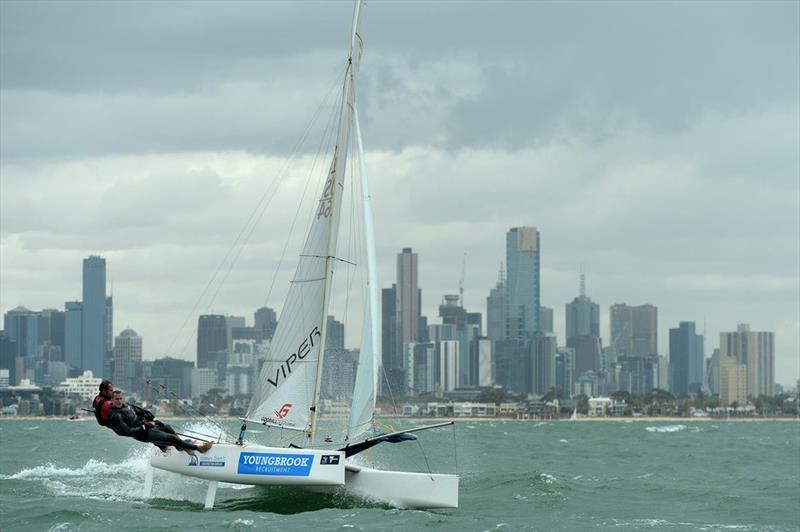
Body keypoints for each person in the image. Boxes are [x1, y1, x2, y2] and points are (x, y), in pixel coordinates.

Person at [107, 390, 213, 454]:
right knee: (171, 438)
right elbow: (128, 431)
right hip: (143, 434)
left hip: (147, 426)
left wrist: (154, 420)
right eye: (117, 399)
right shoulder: (116, 415)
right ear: (112, 400)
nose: (120, 401)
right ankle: (198, 449)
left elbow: (143, 412)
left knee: (167, 427)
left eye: (121, 398)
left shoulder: (128, 406)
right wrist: (144, 427)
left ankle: (181, 447)